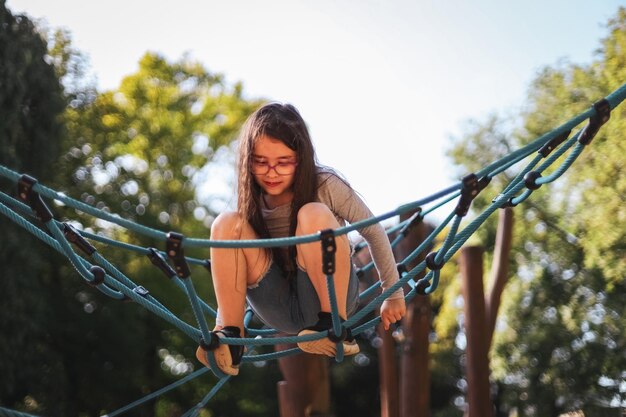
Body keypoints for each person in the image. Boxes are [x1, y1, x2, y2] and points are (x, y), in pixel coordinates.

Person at [196, 103, 406, 375]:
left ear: (301, 158)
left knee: (313, 213)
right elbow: (231, 264)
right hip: (277, 303)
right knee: (226, 223)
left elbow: (373, 231)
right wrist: (222, 322)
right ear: (248, 162)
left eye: (283, 162)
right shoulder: (253, 200)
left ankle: (333, 327)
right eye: (261, 162)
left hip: (330, 295)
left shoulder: (324, 184)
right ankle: (231, 341)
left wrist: (394, 291)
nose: (271, 172)